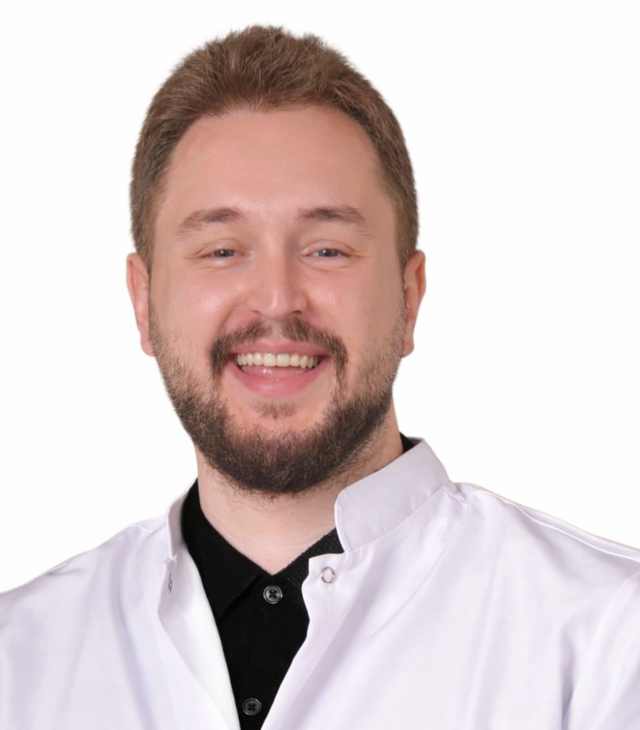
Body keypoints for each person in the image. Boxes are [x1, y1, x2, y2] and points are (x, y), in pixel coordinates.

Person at [1, 25, 639, 730]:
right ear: (143, 303)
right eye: (222, 250)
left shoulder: (608, 640)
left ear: (409, 297)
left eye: (327, 249)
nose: (276, 299)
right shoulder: (18, 660)